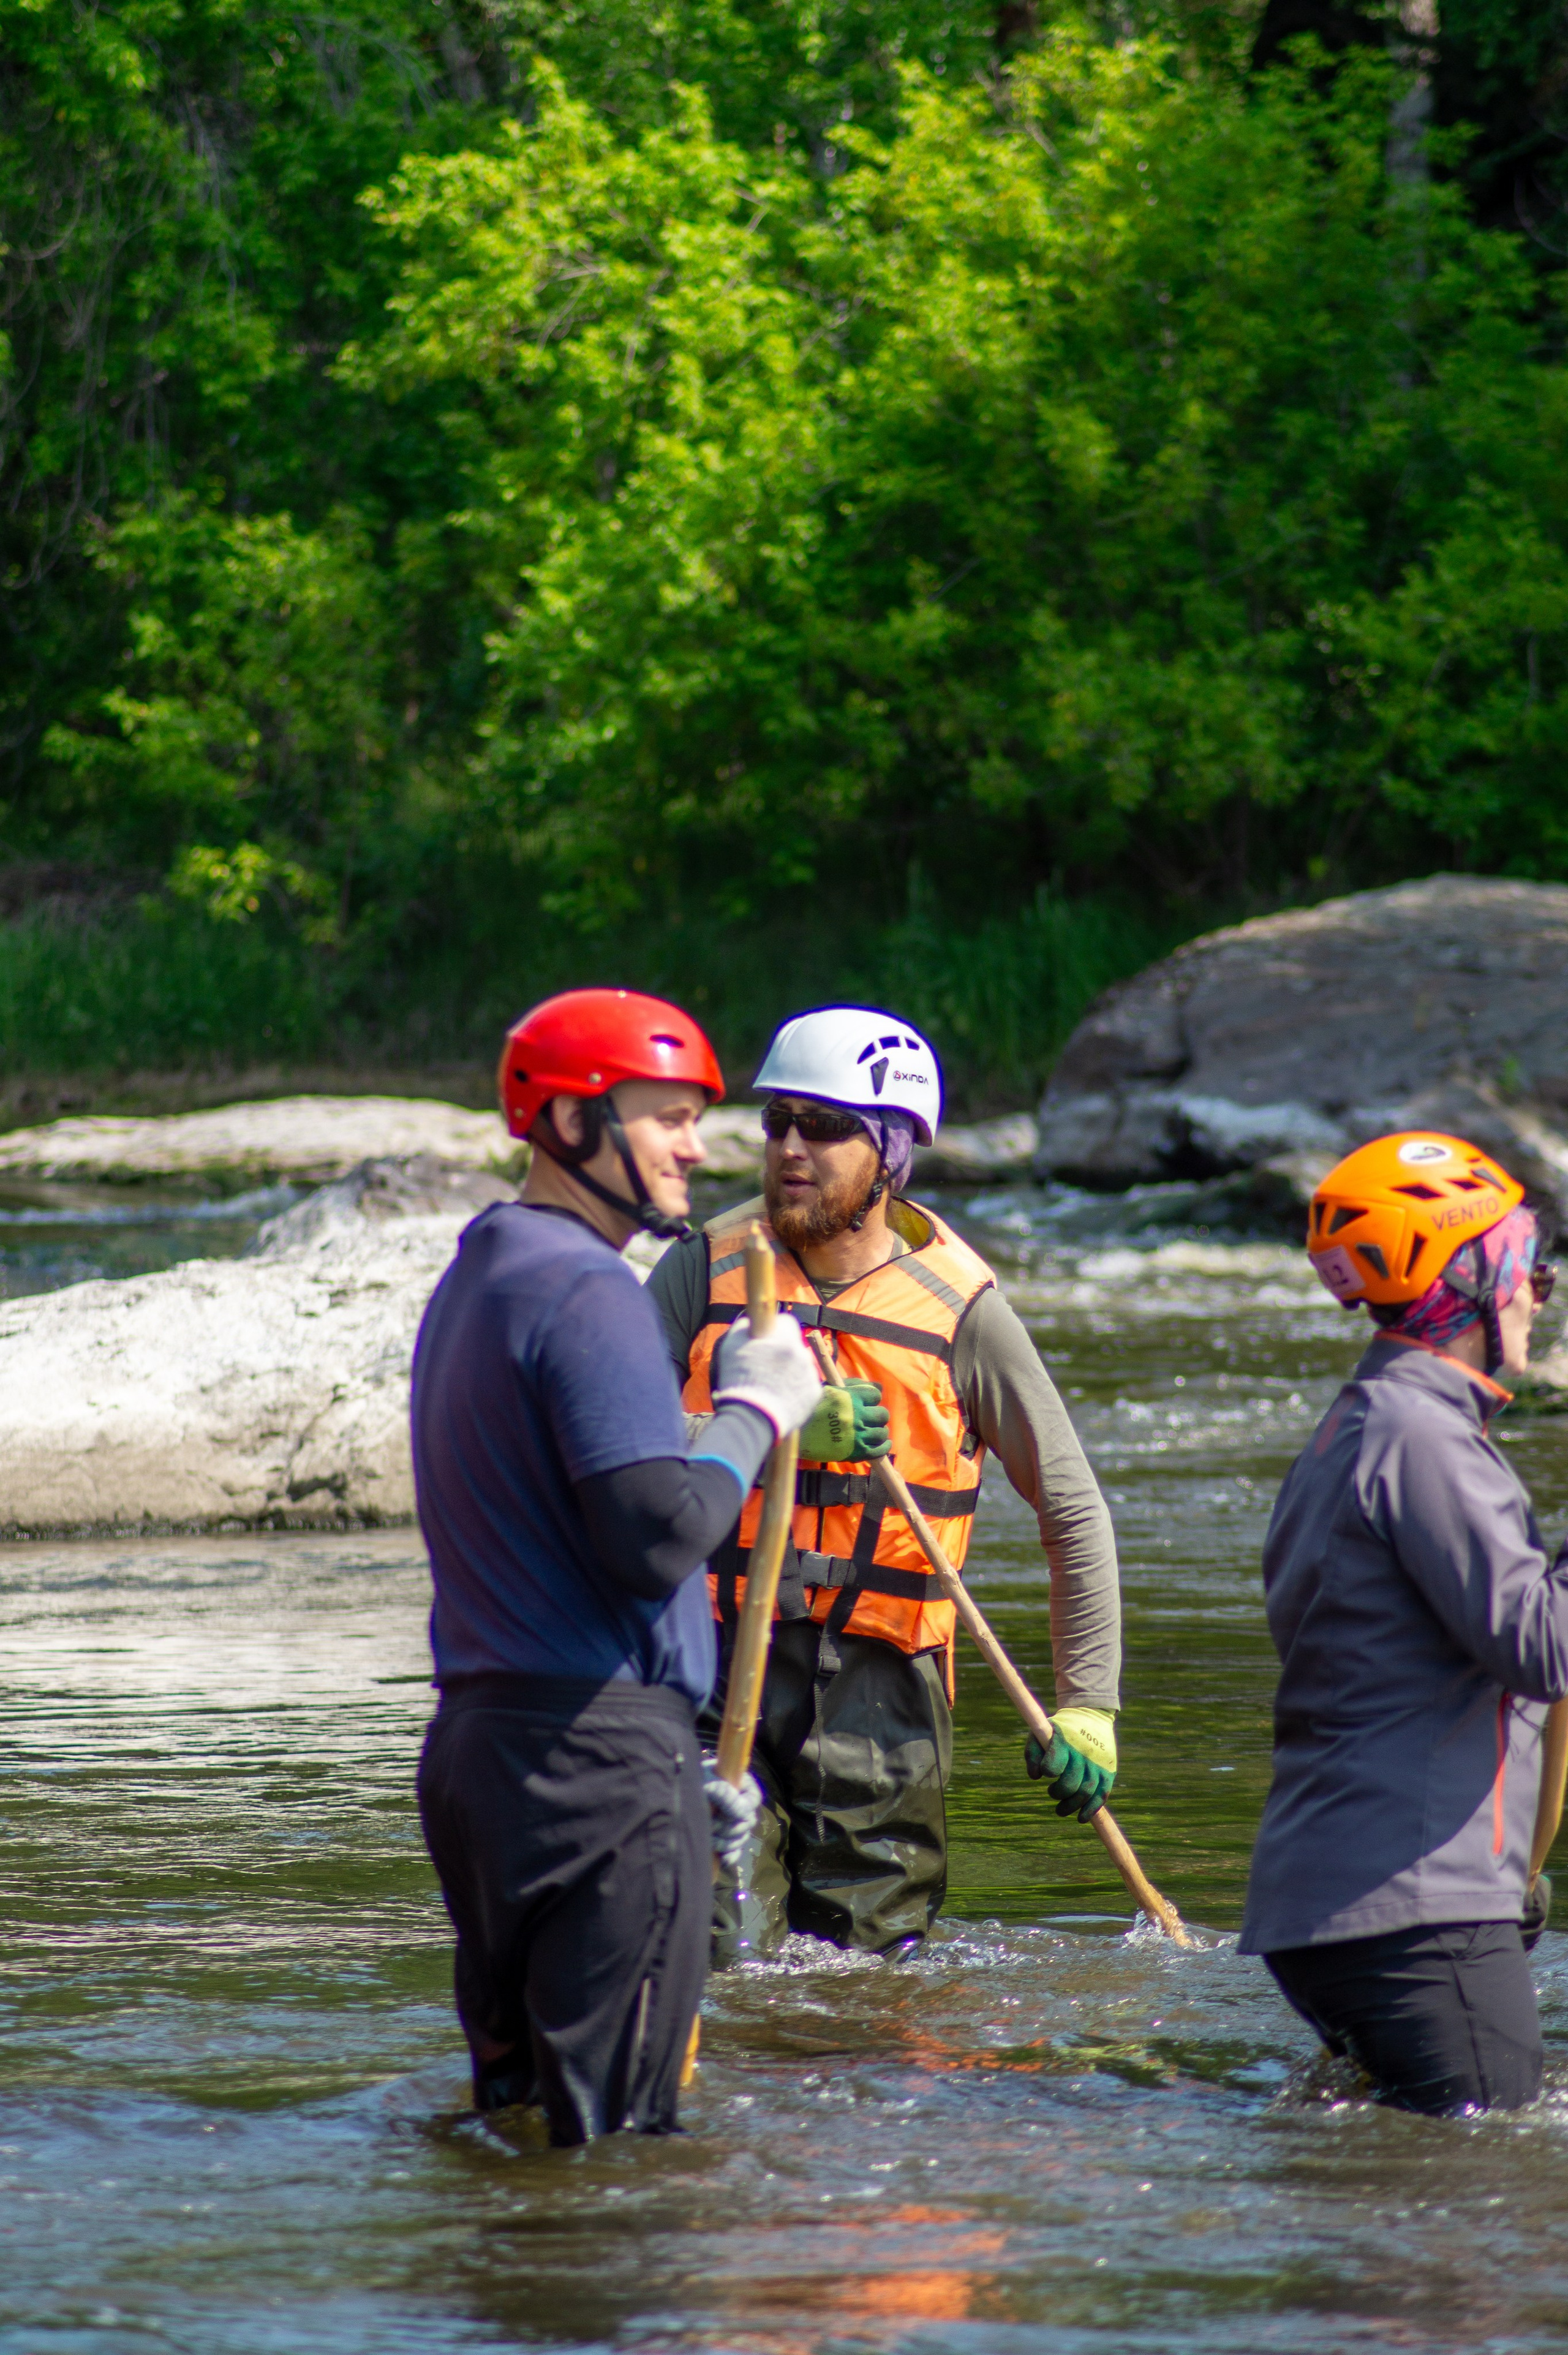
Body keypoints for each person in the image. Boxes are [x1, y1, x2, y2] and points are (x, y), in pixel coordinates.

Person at [410, 987, 819, 2144]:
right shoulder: (588, 1285)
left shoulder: (479, 1274)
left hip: (485, 1755)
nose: (699, 1144)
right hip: (597, 1765)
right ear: (573, 1125)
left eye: (697, 1115)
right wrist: (754, 1410)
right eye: (663, 1117)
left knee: (513, 2126)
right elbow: (651, 1536)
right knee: (619, 2164)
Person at [647, 1004, 1124, 1959]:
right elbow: (601, 1453)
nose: (789, 1147)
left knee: (862, 1982)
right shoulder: (700, 1271)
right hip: (707, 1664)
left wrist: (1090, 1704)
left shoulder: (965, 1312)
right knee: (713, 1940)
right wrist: (756, 1424)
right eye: (778, 1120)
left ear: (894, 1153)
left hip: (884, 1698)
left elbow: (1073, 1512)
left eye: (823, 1128)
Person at [1240, 1129, 1568, 2115]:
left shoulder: (1361, 1423)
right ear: (1467, 1276)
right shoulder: (1422, 1436)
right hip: (1416, 1909)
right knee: (1486, 2199)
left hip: (1340, 1904)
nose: (1536, 1294)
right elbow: (1544, 1647)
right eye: (1526, 1268)